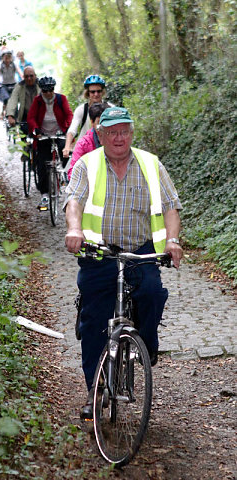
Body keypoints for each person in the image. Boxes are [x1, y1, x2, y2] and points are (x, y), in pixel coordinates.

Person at [64, 107, 183, 420]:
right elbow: (73, 201)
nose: (119, 137)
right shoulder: (87, 165)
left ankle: (146, 342)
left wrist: (172, 241)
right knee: (94, 320)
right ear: (100, 135)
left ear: (132, 133)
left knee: (153, 294)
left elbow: (171, 207)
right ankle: (95, 390)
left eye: (124, 131)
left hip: (139, 250)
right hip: (98, 253)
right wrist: (74, 229)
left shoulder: (150, 164)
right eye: (112, 131)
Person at [27, 76, 73, 210]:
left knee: (65, 153)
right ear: (41, 91)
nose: (48, 93)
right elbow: (31, 117)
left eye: (50, 90)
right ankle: (44, 195)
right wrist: (35, 130)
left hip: (59, 133)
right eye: (45, 91)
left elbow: (69, 114)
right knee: (41, 164)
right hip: (43, 135)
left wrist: (69, 127)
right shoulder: (38, 101)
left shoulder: (60, 99)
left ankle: (66, 178)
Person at [62, 74, 108, 158]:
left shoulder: (110, 108)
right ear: (88, 93)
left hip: (105, 149)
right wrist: (67, 146)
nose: (96, 94)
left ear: (102, 92)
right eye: (92, 92)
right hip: (83, 151)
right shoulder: (82, 110)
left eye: (99, 91)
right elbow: (73, 129)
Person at [67, 102, 109, 180]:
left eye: (107, 122)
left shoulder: (118, 140)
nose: (104, 126)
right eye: (100, 122)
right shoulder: (83, 145)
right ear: (92, 122)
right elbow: (73, 173)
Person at [6, 66, 40, 131]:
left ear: (35, 76)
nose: (29, 78)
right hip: (25, 116)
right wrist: (10, 115)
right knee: (23, 134)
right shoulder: (19, 86)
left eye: (31, 76)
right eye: (26, 76)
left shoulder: (41, 85)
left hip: (39, 116)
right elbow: (13, 100)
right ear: (23, 77)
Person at [0, 51, 18, 120]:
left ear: (11, 58)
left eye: (8, 58)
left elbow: (19, 72)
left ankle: (15, 115)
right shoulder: (1, 65)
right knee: (6, 98)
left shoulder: (14, 64)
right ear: (2, 58)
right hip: (4, 85)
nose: (7, 60)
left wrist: (24, 79)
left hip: (13, 84)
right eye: (5, 58)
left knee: (14, 100)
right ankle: (3, 112)